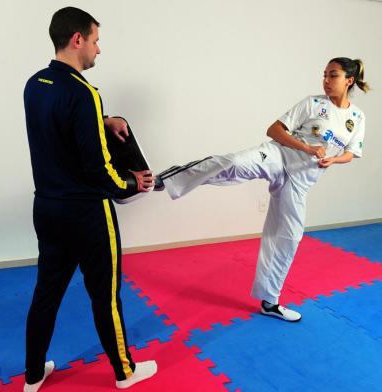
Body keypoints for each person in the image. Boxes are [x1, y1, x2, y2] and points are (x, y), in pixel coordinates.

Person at [155, 57, 369, 322]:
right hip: (278, 156)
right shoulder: (313, 103)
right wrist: (306, 148)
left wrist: (333, 159)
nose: (326, 80)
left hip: (301, 180)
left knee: (290, 236)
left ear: (349, 80)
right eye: (324, 74)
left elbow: (350, 153)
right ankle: (165, 180)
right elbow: (274, 130)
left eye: (332, 75)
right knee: (233, 163)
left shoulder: (357, 117)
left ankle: (270, 301)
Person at [23, 7, 157, 392]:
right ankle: (125, 373)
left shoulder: (35, 84)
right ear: (77, 39)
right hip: (87, 213)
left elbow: (58, 132)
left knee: (46, 293)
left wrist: (103, 120)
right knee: (106, 296)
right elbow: (100, 170)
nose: (99, 49)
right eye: (95, 40)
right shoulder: (84, 93)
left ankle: (32, 377)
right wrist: (132, 183)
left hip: (46, 209)